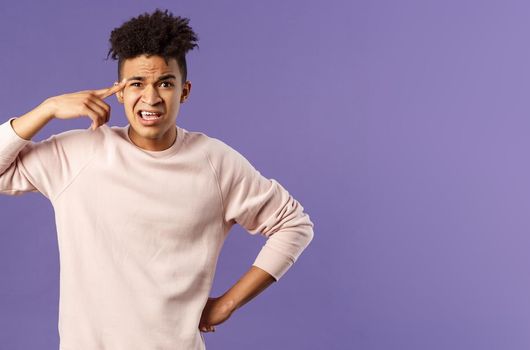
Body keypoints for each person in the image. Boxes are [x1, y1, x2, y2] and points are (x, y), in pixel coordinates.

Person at [0, 8, 314, 350]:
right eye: (136, 84)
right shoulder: (79, 154)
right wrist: (46, 109)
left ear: (185, 90)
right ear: (119, 92)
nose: (150, 99)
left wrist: (227, 303)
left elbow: (293, 224)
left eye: (165, 83)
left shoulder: (215, 162)